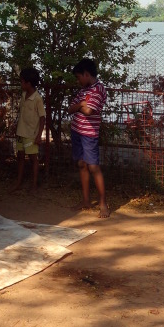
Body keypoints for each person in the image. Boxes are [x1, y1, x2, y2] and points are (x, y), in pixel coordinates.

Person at [68, 58, 110, 219]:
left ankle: (103, 204)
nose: (78, 80)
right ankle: (86, 201)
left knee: (93, 167)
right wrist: (81, 104)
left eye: (78, 77)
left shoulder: (98, 89)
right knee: (81, 164)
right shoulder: (83, 91)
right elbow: (70, 109)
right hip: (76, 131)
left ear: (86, 74)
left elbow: (89, 111)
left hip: (89, 134)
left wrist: (80, 106)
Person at [12, 66, 45, 193]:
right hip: (21, 132)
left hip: (31, 134)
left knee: (33, 158)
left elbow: (42, 118)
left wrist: (39, 135)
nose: (21, 84)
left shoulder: (37, 99)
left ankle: (34, 185)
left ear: (28, 83)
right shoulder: (24, 95)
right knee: (20, 157)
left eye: (22, 81)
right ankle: (18, 183)